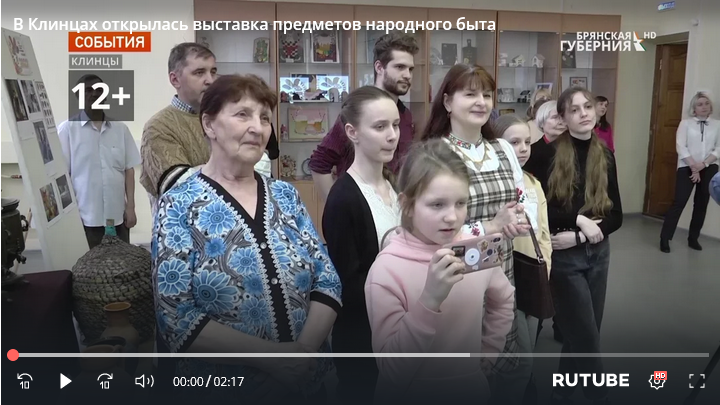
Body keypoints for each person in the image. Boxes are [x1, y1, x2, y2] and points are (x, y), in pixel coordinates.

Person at [152, 74, 342, 403]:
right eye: (242, 114)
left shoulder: (285, 195)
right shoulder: (178, 205)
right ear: (209, 124)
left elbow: (327, 280)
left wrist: (302, 354)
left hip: (307, 382)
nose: (258, 127)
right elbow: (175, 315)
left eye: (265, 118)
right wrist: (273, 360)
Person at [365, 139, 515, 404]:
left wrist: (489, 351)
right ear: (407, 204)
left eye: (461, 203)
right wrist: (430, 300)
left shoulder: (474, 250)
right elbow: (391, 369)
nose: (452, 217)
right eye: (437, 205)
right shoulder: (386, 269)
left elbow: (504, 298)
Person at [420, 64, 531, 405]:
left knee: (510, 364)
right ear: (448, 102)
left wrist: (516, 219)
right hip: (457, 276)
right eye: (470, 94)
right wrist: (490, 227)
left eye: (486, 94)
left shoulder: (503, 149)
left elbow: (520, 200)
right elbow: (426, 229)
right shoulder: (434, 153)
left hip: (502, 269)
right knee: (463, 371)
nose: (481, 102)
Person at [526, 86, 622, 405]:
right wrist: (578, 219)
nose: (583, 114)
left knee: (584, 331)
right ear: (563, 118)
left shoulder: (605, 155)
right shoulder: (546, 155)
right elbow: (536, 208)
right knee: (586, 335)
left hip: (598, 254)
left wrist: (581, 233)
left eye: (587, 107)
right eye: (575, 109)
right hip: (564, 258)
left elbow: (616, 215)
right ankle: (599, 394)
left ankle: (563, 390)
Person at [321, 86, 401, 404]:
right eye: (380, 127)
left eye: (395, 125)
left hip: (401, 328)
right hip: (363, 337)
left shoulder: (394, 185)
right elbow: (348, 286)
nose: (392, 135)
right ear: (352, 132)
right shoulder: (343, 198)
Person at [309, 32, 419, 201]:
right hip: (359, 206)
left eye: (410, 69)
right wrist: (336, 207)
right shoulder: (358, 111)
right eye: (399, 67)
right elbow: (319, 162)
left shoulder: (405, 115)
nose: (407, 75)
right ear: (379, 67)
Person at [58, 74, 141, 248]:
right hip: (85, 219)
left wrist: (131, 208)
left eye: (99, 90)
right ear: (78, 96)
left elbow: (129, 170)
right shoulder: (67, 130)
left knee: (121, 262)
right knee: (88, 264)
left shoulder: (120, 129)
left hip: (117, 217)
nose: (94, 94)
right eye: (88, 90)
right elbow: (62, 177)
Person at [140, 42, 217, 206]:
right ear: (175, 79)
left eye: (213, 72)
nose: (210, 80)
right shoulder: (158, 126)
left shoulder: (220, 118)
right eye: (199, 72)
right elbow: (179, 188)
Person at [660, 91, 719, 252]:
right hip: (687, 166)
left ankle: (693, 238)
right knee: (679, 201)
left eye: (706, 103)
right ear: (694, 108)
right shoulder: (685, 124)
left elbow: (718, 148)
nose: (704, 107)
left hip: (709, 166)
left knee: (701, 203)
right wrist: (694, 167)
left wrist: (703, 165)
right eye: (700, 104)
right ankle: (665, 238)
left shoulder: (717, 125)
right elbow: (681, 146)